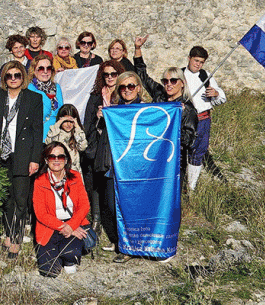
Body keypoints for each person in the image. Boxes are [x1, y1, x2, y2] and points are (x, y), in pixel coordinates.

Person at [0, 61, 43, 258]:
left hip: (22, 152)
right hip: (0, 154)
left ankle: (16, 239)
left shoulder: (33, 98)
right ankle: (8, 232)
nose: (13, 79)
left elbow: (37, 131)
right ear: (4, 78)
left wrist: (35, 158)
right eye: (9, 75)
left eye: (17, 75)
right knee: (5, 198)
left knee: (20, 199)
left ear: (23, 77)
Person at [92, 71, 145, 263]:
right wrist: (101, 119)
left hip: (134, 167)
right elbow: (102, 137)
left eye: (131, 86)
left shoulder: (145, 110)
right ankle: (120, 241)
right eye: (123, 87)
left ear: (138, 88)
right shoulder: (113, 110)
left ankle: (130, 246)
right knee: (112, 206)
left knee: (130, 207)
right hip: (113, 166)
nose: (127, 90)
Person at [132, 36, 199, 183]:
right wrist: (138, 49)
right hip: (153, 155)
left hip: (174, 160)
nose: (169, 84)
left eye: (173, 81)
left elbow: (189, 140)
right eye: (165, 81)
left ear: (182, 83)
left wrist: (175, 122)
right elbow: (142, 75)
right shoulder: (159, 95)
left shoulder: (187, 109)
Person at [33, 142, 90, 277]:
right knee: (49, 271)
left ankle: (68, 258)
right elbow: (41, 214)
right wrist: (64, 226)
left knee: (71, 254)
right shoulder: (40, 181)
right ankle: (57, 255)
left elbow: (84, 206)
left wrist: (71, 225)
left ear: (66, 160)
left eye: (61, 156)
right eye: (52, 157)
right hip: (50, 226)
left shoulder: (75, 176)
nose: (57, 160)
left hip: (73, 223)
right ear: (46, 160)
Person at [81, 59, 124, 238]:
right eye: (106, 74)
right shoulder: (96, 96)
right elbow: (87, 124)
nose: (110, 78)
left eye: (113, 74)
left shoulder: (124, 94)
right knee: (96, 181)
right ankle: (97, 218)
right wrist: (98, 118)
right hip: (99, 144)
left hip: (118, 145)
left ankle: (116, 221)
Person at [182, 45, 226, 190]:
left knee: (198, 152)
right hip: (185, 120)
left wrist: (216, 94)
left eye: (201, 62)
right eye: (196, 61)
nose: (198, 64)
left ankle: (191, 187)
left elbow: (221, 98)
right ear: (189, 58)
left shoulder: (205, 75)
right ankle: (179, 184)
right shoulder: (179, 74)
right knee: (182, 151)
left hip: (203, 120)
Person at [45, 105, 88, 174]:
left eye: (71, 121)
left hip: (74, 174)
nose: (68, 124)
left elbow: (83, 146)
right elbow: (48, 142)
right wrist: (58, 124)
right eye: (65, 121)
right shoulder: (56, 133)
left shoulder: (76, 134)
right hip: (58, 173)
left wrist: (77, 127)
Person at [28, 55, 63, 136]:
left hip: (56, 133)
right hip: (38, 133)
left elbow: (60, 110)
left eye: (49, 68)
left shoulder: (56, 87)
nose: (45, 71)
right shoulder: (29, 88)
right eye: (41, 68)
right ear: (34, 70)